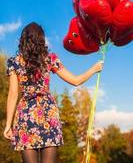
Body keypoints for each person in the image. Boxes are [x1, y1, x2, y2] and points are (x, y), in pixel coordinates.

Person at [3, 22, 103, 163]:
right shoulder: (50, 59)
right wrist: (93, 69)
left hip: (25, 116)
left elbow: (13, 94)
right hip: (48, 114)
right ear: (41, 39)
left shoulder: (14, 62)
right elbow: (75, 80)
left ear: (23, 40)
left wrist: (8, 125)